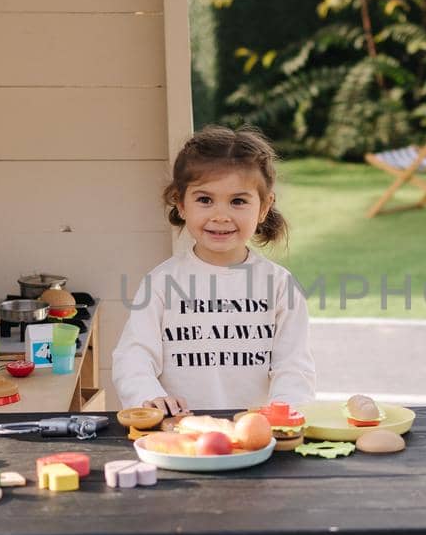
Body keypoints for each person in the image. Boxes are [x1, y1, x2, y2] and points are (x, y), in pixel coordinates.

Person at [112, 124, 316, 414]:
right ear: (181, 203)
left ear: (263, 207)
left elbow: (294, 368)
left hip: (257, 433)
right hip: (180, 432)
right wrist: (149, 396)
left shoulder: (279, 285)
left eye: (238, 201)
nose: (221, 216)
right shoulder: (161, 282)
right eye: (205, 200)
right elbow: (134, 356)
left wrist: (282, 414)